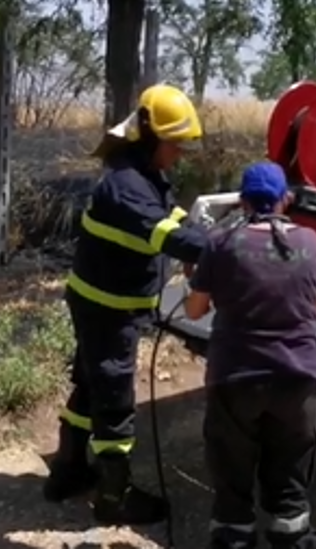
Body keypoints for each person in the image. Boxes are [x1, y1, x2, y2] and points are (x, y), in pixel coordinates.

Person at [42, 84, 211, 526]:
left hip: (100, 301)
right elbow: (167, 235)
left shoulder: (140, 174)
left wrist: (202, 239)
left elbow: (169, 217)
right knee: (114, 397)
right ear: (154, 138)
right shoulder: (125, 187)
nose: (180, 155)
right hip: (108, 310)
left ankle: (68, 470)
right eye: (176, 145)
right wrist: (225, 249)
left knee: (91, 382)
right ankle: (114, 498)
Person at [183, 161, 316, 549]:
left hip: (236, 377)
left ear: (242, 201)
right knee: (290, 474)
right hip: (297, 379)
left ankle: (234, 539)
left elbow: (194, 311)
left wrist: (198, 278)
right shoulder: (311, 242)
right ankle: (292, 538)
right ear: (285, 200)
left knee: (232, 472)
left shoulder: (220, 242)